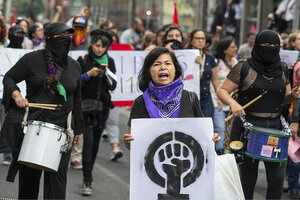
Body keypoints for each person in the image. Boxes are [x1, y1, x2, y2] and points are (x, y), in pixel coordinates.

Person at [2, 21, 83, 199]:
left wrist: (79, 129)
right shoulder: (31, 59)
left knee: (57, 186)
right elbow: (9, 78)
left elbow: (77, 99)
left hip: (63, 128)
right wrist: (17, 96)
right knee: (28, 185)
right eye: (61, 36)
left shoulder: (75, 65)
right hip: (34, 126)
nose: (66, 40)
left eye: (68, 36)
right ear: (49, 39)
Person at [217, 29, 300, 199]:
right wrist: (233, 103)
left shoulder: (283, 68)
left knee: (276, 180)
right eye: (266, 45)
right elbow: (222, 90)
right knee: (246, 179)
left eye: (274, 45)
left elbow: (285, 98)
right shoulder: (243, 66)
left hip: (275, 129)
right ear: (256, 46)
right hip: (248, 128)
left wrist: (293, 95)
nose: (270, 48)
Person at [123, 47, 221, 150]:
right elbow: (133, 144)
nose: (162, 67)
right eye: (156, 64)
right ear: (149, 71)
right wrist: (128, 142)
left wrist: (212, 140)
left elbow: (203, 137)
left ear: (175, 70)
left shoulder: (190, 98)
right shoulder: (140, 102)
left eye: (168, 63)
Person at [78, 29, 117, 196]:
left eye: (103, 47)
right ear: (91, 45)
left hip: (103, 107)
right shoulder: (83, 60)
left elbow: (114, 86)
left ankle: (89, 173)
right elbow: (75, 82)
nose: (100, 49)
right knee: (88, 142)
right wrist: (88, 74)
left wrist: (106, 75)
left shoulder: (110, 61)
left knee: (95, 145)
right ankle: (87, 179)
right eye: (97, 45)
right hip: (85, 107)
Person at [211, 37, 237, 155]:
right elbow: (214, 81)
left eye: (235, 46)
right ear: (225, 49)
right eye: (232, 47)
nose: (235, 48)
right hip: (218, 101)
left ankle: (229, 153)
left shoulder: (236, 62)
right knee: (220, 127)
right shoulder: (216, 62)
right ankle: (220, 153)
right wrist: (219, 98)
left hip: (233, 102)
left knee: (230, 129)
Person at [186, 29, 219, 119]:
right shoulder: (185, 56)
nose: (200, 41)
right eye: (197, 38)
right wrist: (194, 64)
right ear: (191, 40)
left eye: (203, 39)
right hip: (189, 98)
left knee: (206, 126)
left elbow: (215, 79)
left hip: (206, 98)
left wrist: (219, 97)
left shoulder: (209, 57)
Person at [287, 30, 300, 199]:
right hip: (298, 112)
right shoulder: (298, 66)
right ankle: (294, 187)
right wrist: (296, 120)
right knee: (296, 153)